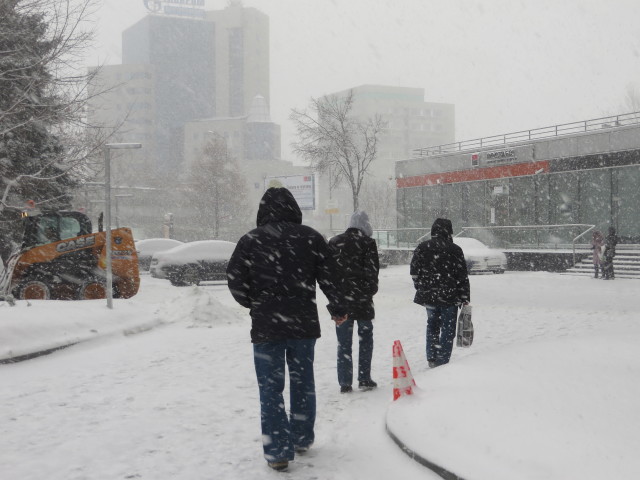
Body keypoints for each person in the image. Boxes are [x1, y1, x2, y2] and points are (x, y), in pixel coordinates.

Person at [226, 187, 347, 473]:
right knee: (303, 380)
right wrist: (338, 307)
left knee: (270, 389)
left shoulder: (251, 240)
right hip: (303, 324)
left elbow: (235, 278)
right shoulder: (311, 238)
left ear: (263, 210)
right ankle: (302, 437)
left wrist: (254, 303)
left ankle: (278, 451)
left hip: (266, 327)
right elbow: (331, 276)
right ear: (294, 209)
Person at [328, 210, 379, 393]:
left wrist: (335, 296)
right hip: (363, 301)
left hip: (341, 302)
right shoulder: (368, 243)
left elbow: (329, 274)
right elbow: (372, 272)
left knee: (343, 343)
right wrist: (368, 291)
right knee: (365, 340)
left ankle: (345, 382)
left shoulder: (335, 242)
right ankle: (364, 379)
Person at [410, 218, 470, 368]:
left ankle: (432, 357)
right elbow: (462, 276)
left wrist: (421, 287)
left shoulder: (422, 247)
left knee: (432, 325)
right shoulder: (455, 250)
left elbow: (414, 272)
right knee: (448, 329)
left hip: (429, 295)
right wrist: (464, 296)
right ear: (449, 232)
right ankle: (442, 361)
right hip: (449, 296)